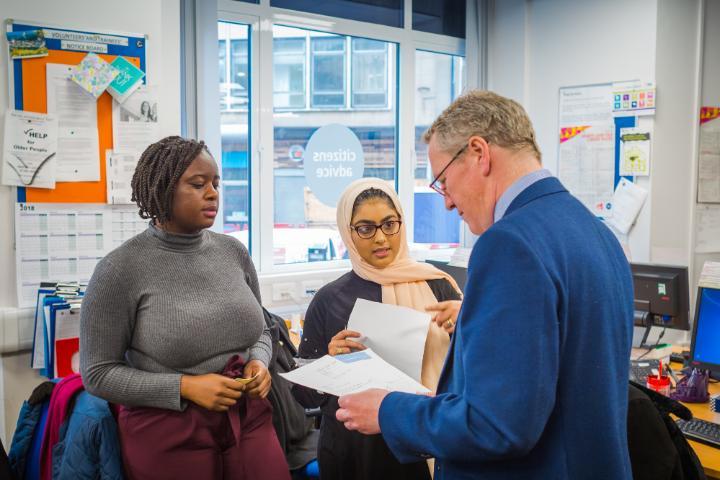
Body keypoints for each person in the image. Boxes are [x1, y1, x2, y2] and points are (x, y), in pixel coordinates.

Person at [334, 91, 634, 479]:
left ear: (479, 153)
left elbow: (497, 425)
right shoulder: (598, 233)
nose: (446, 202)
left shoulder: (508, 245)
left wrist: (388, 410)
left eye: (443, 180)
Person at [80, 136, 290, 480]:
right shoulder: (120, 269)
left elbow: (262, 329)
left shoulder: (232, 252)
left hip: (247, 419)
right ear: (163, 190)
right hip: (169, 429)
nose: (213, 194)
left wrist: (258, 361)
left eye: (216, 183)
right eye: (198, 184)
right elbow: (98, 373)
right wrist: (184, 387)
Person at [295, 178, 462, 480]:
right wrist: (329, 365)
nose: (381, 239)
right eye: (366, 228)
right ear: (349, 232)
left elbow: (473, 373)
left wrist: (464, 329)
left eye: (389, 224)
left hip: (423, 442)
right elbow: (304, 397)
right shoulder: (330, 300)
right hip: (356, 454)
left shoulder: (439, 286)